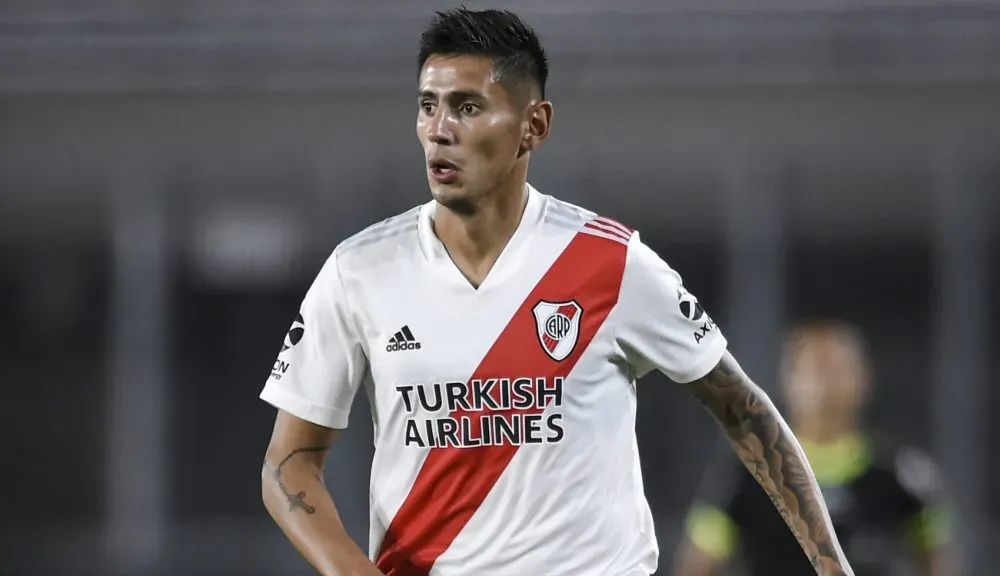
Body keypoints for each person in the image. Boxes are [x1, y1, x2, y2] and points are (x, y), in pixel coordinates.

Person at [259, 8, 854, 576]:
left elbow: (745, 410)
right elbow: (288, 464)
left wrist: (833, 568)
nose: (440, 130)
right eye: (427, 106)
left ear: (533, 126)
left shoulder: (609, 263)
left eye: (468, 107)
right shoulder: (361, 270)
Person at [674, 319, 956, 576]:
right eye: (814, 368)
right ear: (788, 380)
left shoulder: (901, 474)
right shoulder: (747, 472)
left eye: (837, 368)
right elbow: (701, 561)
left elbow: (937, 558)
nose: (825, 384)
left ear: (863, 377)